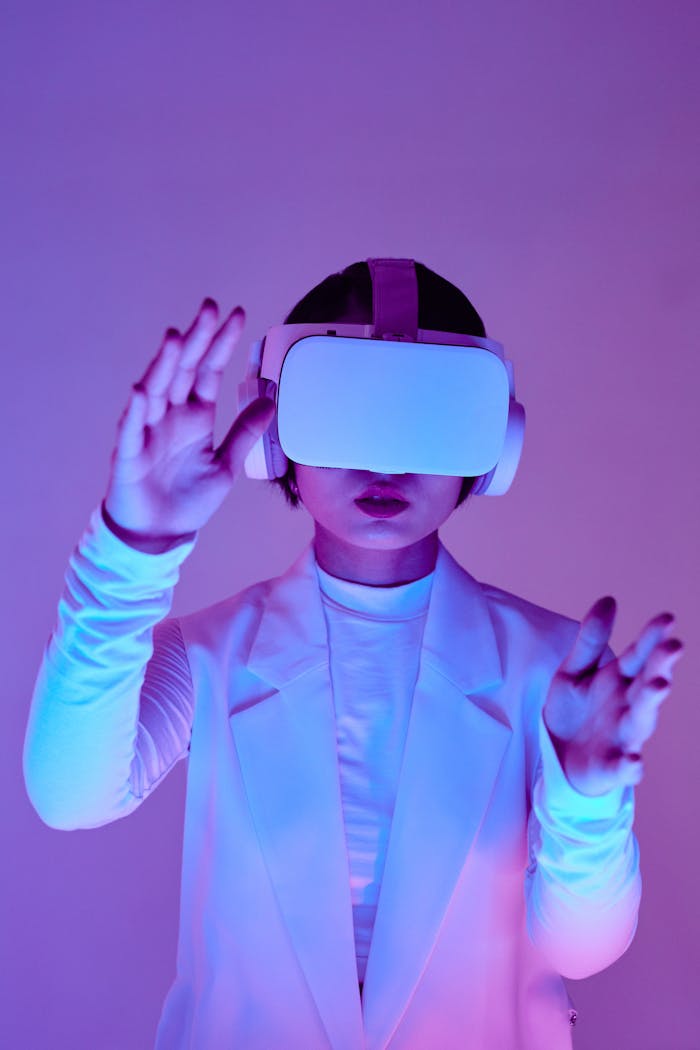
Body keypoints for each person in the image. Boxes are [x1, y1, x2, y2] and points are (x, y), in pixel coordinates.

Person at [23, 260, 684, 1049]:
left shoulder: (561, 675)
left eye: (424, 415)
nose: (386, 461)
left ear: (490, 440)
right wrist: (131, 551)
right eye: (345, 410)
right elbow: (69, 795)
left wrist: (588, 802)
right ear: (274, 435)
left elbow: (584, 946)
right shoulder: (210, 655)